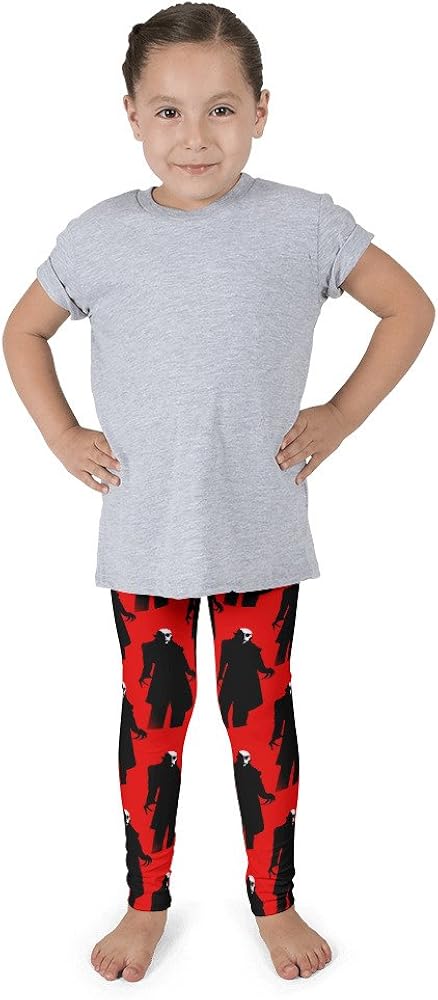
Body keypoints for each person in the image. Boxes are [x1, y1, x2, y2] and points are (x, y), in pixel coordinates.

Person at [2, 1, 434, 985]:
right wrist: (61, 433)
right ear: (131, 115)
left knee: (260, 724)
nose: (194, 136)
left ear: (262, 111)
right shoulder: (100, 237)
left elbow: (410, 307)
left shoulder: (303, 224)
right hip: (147, 534)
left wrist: (342, 414)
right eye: (168, 111)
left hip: (257, 532)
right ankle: (145, 900)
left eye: (221, 109)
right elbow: (22, 331)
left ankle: (273, 900)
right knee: (152, 726)